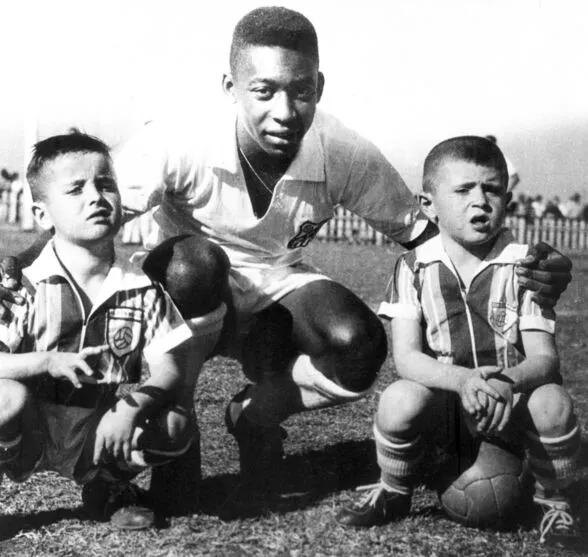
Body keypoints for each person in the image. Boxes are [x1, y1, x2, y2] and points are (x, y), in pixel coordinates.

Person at [0, 7, 573, 521]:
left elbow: (424, 234)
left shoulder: (342, 150)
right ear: (230, 86)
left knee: (360, 342)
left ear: (319, 87)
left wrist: (524, 265)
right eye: (264, 90)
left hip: (278, 285)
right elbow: (84, 213)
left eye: (300, 91)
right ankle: (181, 440)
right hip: (191, 289)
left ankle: (253, 415)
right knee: (192, 264)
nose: (284, 110)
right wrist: (13, 271)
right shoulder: (181, 138)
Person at [336, 136, 581, 549]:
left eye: (492, 189)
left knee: (553, 402)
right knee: (399, 398)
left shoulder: (526, 267)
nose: (480, 201)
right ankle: (394, 490)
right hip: (446, 410)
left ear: (507, 198)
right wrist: (464, 381)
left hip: (509, 402)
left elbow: (545, 360)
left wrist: (506, 381)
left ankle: (553, 501)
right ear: (428, 204)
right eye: (463, 189)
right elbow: (408, 359)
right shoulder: (413, 267)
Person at [0, 132, 198, 530]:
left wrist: (131, 408)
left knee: (175, 424)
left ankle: (107, 486)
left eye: (105, 184)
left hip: (96, 428)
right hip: (29, 428)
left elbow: (169, 370)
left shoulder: (141, 288)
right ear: (42, 215)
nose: (96, 196)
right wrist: (48, 361)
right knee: (6, 396)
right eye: (75, 189)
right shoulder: (21, 285)